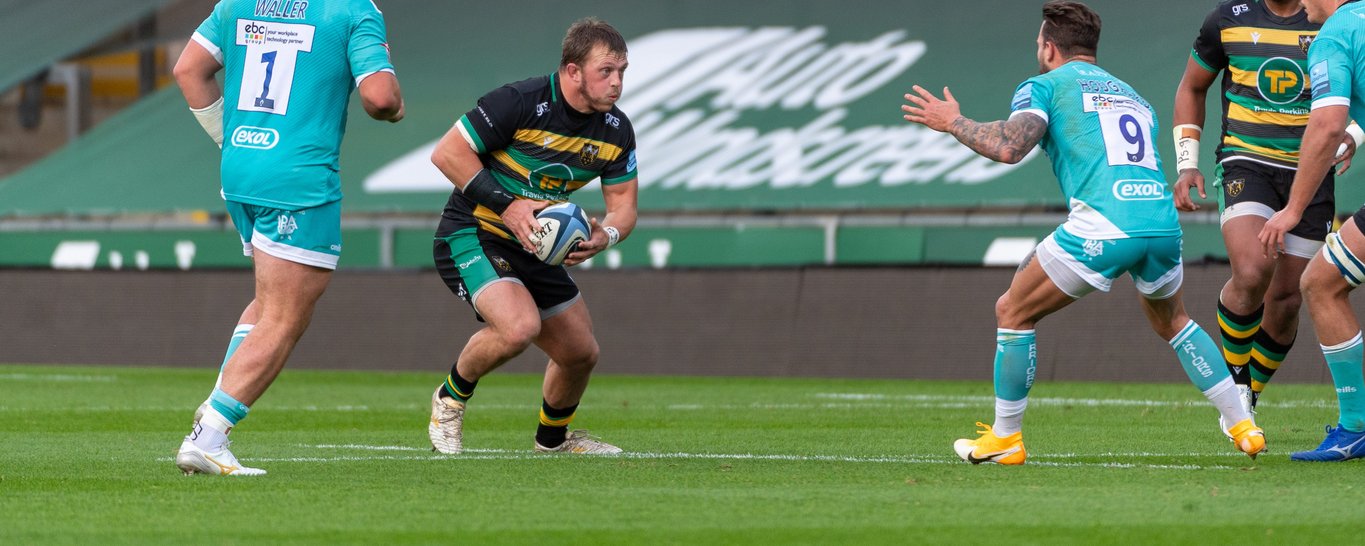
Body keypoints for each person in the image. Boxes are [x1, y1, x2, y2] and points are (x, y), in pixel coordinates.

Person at [902, 0, 1264, 465]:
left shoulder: (1043, 86)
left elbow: (1012, 146)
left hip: (1106, 223)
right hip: (1159, 223)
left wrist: (952, 122)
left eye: (1039, 43)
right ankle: (1243, 424)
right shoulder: (1131, 94)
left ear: (1049, 48)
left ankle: (1006, 439)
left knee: (1012, 310)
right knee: (1174, 322)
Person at [172, 0, 404, 475]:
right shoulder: (352, 10)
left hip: (241, 170)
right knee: (285, 317)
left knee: (266, 304)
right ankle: (210, 434)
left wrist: (228, 137)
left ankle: (215, 408)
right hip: (298, 179)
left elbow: (188, 70)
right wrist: (396, 106)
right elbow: (380, 98)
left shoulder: (237, 4)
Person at [426, 18, 639, 455]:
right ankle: (450, 398)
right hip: (475, 230)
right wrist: (507, 204)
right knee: (518, 328)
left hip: (537, 247)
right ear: (573, 70)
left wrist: (608, 235)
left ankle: (553, 441)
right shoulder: (519, 101)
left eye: (622, 71)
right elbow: (447, 152)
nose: (617, 82)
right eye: (606, 70)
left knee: (581, 352)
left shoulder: (616, 131)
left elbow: (624, 206)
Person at [1172, 0, 1359, 432]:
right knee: (1254, 269)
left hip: (1310, 173)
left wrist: (1353, 134)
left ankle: (1249, 395)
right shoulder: (1227, 18)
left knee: (1288, 298)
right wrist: (1187, 162)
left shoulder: (1331, 23)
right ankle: (1236, 386)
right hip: (1245, 161)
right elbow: (1192, 86)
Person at [1259, 0, 1365, 462]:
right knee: (1324, 280)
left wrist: (1292, 210)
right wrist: (1357, 137)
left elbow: (1324, 124)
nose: (1299, 3)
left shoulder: (1336, 34)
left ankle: (1357, 427)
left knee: (1320, 283)